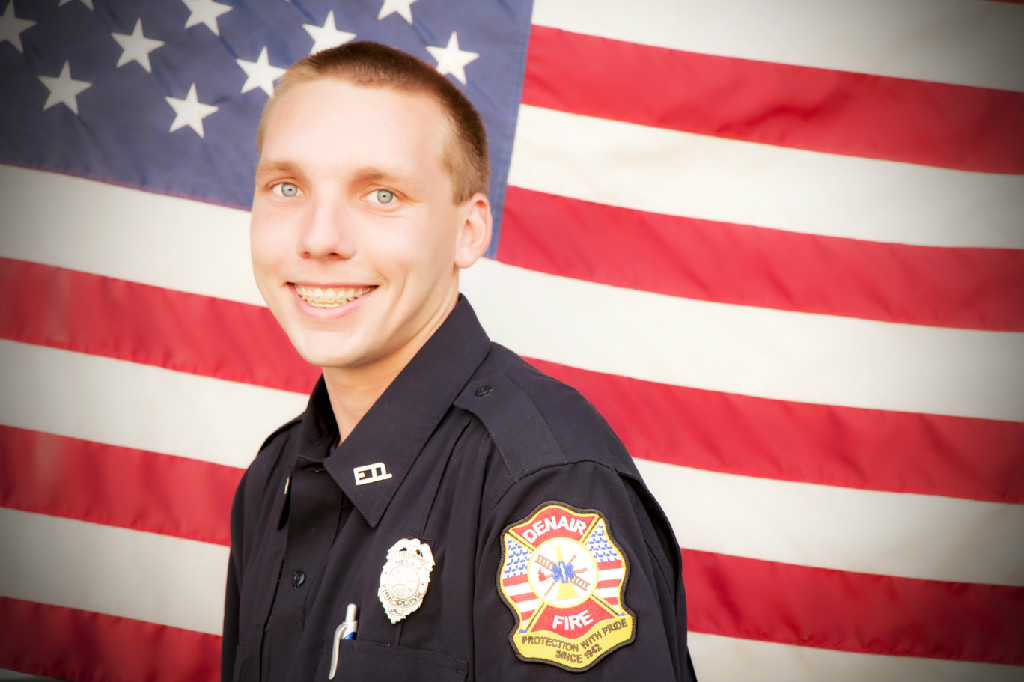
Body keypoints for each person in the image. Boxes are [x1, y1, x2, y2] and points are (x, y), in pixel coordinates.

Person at [221, 41, 698, 682]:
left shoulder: (544, 489)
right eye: (287, 187)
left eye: (381, 195)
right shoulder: (275, 475)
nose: (319, 238)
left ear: (468, 232)